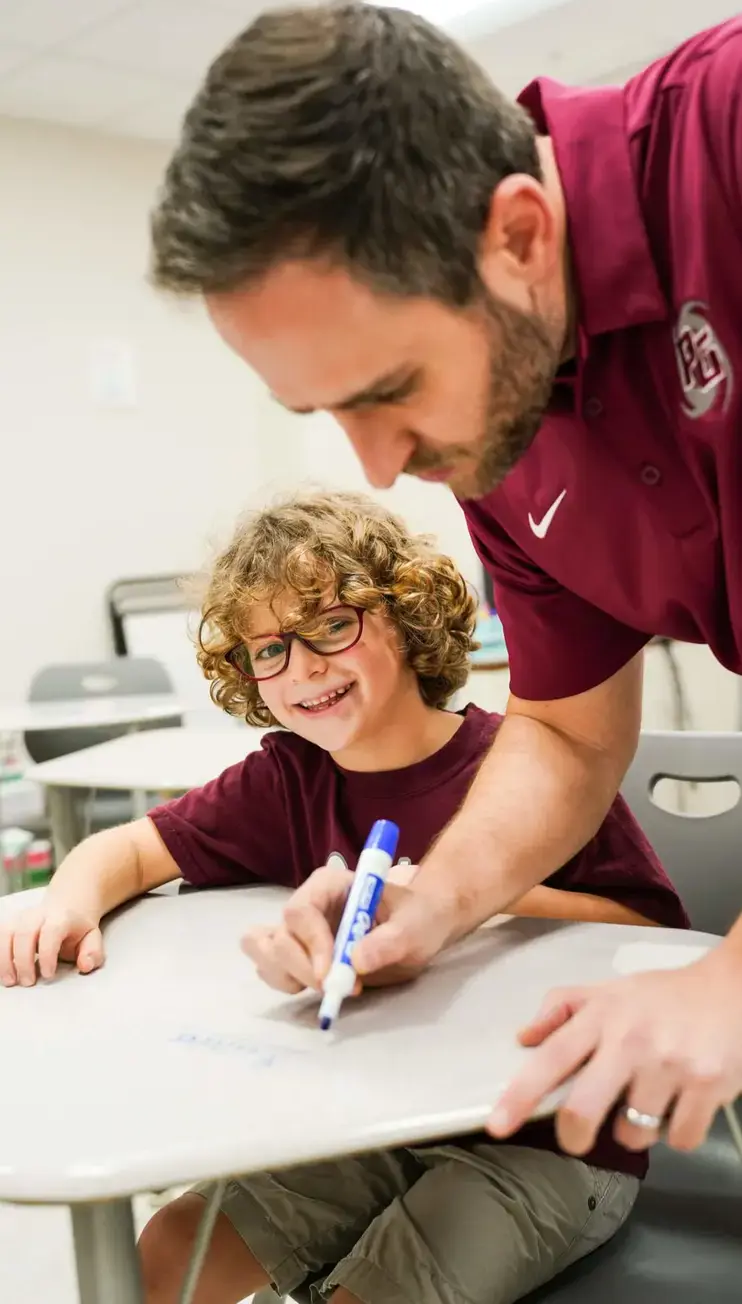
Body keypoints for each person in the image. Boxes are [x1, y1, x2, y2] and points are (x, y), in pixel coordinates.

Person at [148, 1, 742, 1155]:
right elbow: (567, 734)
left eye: (390, 386)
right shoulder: (499, 417)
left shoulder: (725, 139)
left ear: (518, 233)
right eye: (324, 414)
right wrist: (434, 899)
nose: (379, 464)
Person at [0, 490, 687, 1304]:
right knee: (169, 1248)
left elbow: (659, 941)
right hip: (369, 1121)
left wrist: (463, 908)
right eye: (270, 649)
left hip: (548, 1135)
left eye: (331, 626)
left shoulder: (528, 770)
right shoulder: (288, 778)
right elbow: (127, 848)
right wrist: (69, 901)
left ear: (407, 616)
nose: (304, 668)